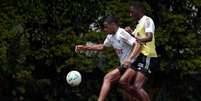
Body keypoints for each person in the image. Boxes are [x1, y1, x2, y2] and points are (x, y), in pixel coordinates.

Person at [75, 16, 141, 101]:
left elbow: (137, 44)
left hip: (133, 64)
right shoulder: (110, 36)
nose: (105, 29)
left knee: (108, 78)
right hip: (125, 66)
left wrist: (130, 59)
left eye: (106, 27)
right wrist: (85, 47)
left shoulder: (122, 33)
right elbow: (103, 47)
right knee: (128, 96)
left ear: (113, 25)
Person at [121, 1, 158, 101]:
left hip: (148, 56)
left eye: (132, 12)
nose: (130, 14)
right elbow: (136, 38)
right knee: (123, 81)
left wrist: (139, 40)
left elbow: (149, 37)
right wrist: (130, 33)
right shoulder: (138, 25)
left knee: (137, 87)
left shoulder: (147, 20)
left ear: (139, 10)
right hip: (139, 56)